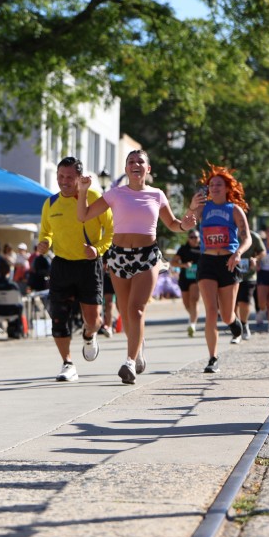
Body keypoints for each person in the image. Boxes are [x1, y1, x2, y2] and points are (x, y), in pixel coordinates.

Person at [77, 149, 197, 384]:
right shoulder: (115, 194)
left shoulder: (157, 195)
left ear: (147, 169)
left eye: (140, 161)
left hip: (147, 256)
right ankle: (138, 347)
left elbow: (173, 224)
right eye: (131, 161)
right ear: (126, 168)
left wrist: (185, 225)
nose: (135, 164)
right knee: (125, 312)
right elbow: (84, 215)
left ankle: (129, 362)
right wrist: (82, 192)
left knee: (136, 309)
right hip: (119, 257)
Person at [37, 156, 114, 382]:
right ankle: (68, 363)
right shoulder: (50, 203)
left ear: (80, 178)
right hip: (61, 265)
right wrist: (45, 243)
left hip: (89, 266)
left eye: (69, 177)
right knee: (58, 319)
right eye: (61, 176)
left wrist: (98, 250)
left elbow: (111, 230)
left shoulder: (94, 198)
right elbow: (46, 232)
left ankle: (89, 335)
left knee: (94, 321)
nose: (64, 181)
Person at [185, 166, 253, 373]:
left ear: (227, 188)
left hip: (228, 262)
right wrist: (191, 207)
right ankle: (212, 358)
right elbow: (186, 224)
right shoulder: (202, 208)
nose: (214, 187)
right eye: (211, 185)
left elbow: (247, 238)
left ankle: (233, 322)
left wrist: (238, 253)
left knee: (225, 314)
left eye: (218, 184)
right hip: (207, 261)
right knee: (211, 311)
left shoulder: (234, 210)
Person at [233, 223, 264, 343]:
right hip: (232, 274)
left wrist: (255, 259)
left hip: (249, 275)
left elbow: (263, 252)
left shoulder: (253, 236)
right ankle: (236, 329)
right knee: (233, 305)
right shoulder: (229, 234)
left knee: (244, 302)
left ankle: (244, 324)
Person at [170, 229, 202, 337]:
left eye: (196, 237)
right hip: (184, 278)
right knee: (186, 303)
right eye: (192, 237)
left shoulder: (203, 249)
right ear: (188, 238)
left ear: (199, 238)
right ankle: (193, 316)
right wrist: (183, 265)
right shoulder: (183, 249)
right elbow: (173, 262)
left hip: (197, 278)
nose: (194, 239)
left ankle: (192, 325)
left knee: (194, 300)